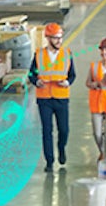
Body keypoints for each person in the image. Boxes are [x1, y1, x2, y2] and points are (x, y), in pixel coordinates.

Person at [28, 22, 76, 173]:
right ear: (48, 39)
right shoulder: (39, 55)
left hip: (61, 97)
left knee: (64, 130)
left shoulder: (67, 54)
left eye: (60, 38)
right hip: (44, 99)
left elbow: (72, 75)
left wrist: (67, 82)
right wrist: (37, 81)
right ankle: (49, 161)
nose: (59, 41)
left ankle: (61, 148)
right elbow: (31, 74)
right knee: (47, 130)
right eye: (55, 38)